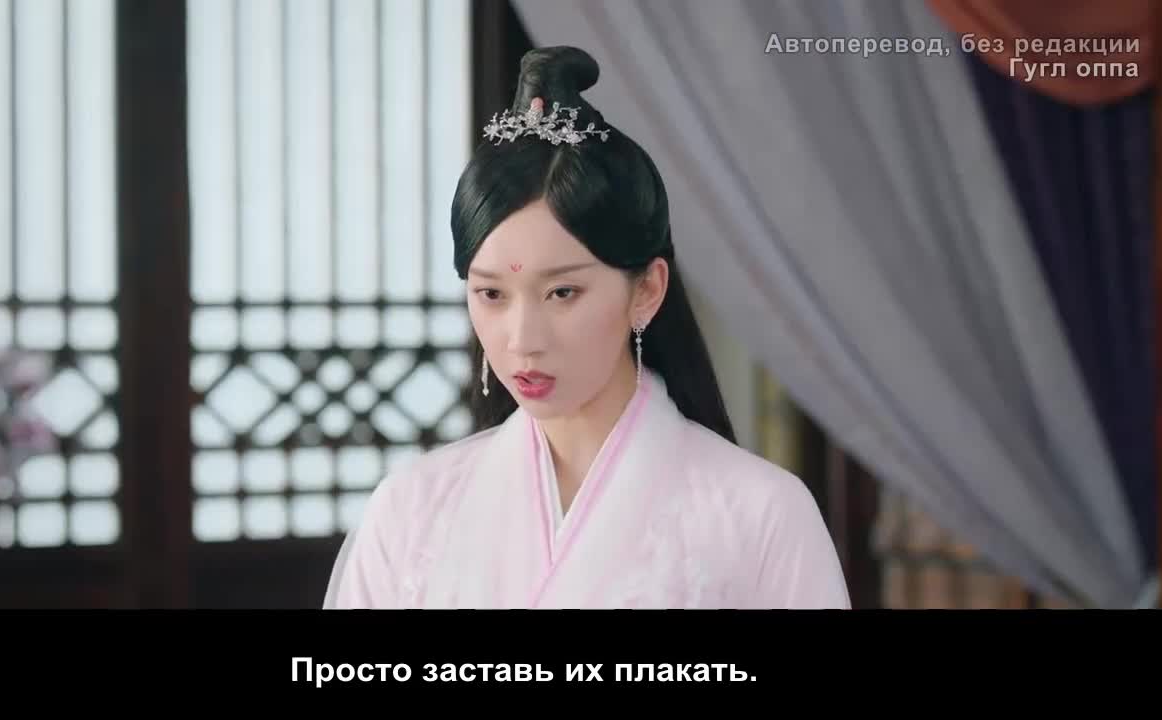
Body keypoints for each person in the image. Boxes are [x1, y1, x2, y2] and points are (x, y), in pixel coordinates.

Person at [323, 46, 850, 609]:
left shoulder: (762, 514)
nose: (522, 340)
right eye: (491, 294)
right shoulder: (409, 511)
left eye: (563, 292)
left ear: (647, 289)